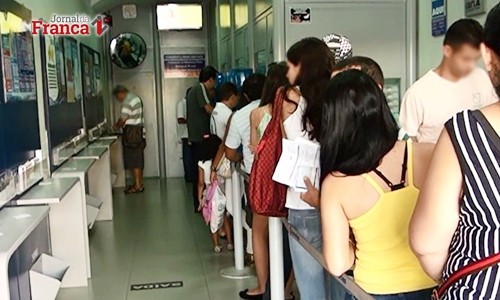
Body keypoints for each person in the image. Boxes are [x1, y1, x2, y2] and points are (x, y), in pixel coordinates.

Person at [319, 70, 436, 299]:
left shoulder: (336, 183)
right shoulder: (430, 153)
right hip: (436, 284)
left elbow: (337, 263)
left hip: (376, 289)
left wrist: (352, 245)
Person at [410, 5, 500, 299]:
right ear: (447, 51)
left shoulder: (465, 128)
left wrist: (469, 270)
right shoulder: (419, 92)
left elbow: (428, 244)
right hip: (438, 186)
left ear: (487, 56)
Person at [280, 37, 335, 300]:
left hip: (302, 200)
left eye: (291, 65)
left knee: (311, 285)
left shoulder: (290, 99)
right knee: (340, 280)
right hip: (337, 199)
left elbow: (284, 142)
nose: (287, 72)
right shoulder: (338, 98)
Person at [241, 62, 294, 300]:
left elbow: (254, 149)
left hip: (265, 181)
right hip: (290, 179)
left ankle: (263, 286)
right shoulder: (294, 108)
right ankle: (285, 290)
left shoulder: (257, 113)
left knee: (259, 233)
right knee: (293, 237)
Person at [400, 18, 498, 143]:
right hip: (435, 161)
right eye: (465, 59)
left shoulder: (483, 78)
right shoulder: (417, 94)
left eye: (476, 59)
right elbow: (407, 146)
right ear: (448, 51)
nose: (471, 65)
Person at [187, 66, 218, 212]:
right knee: (201, 172)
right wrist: (222, 114)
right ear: (210, 79)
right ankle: (200, 203)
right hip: (201, 138)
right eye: (214, 81)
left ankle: (199, 202)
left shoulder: (194, 90)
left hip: (195, 137)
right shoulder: (200, 89)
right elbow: (208, 109)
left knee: (197, 171)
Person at [197, 135, 233, 253]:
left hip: (210, 195)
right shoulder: (220, 162)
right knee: (224, 216)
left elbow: (201, 183)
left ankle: (217, 244)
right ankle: (229, 242)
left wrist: (200, 200)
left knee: (213, 219)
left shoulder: (202, 164)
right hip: (222, 191)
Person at [112, 85, 146, 194]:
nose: (119, 99)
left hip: (131, 134)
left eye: (118, 97)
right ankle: (139, 183)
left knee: (133, 160)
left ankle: (137, 186)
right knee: (139, 159)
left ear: (121, 93)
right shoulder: (136, 98)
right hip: (139, 132)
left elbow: (122, 120)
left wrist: (115, 127)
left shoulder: (127, 101)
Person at [177, 87, 194, 182]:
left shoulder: (191, 103)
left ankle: (192, 174)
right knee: (187, 157)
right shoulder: (181, 103)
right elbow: (180, 119)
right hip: (185, 134)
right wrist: (191, 120)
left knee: (192, 156)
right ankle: (188, 175)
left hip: (192, 134)